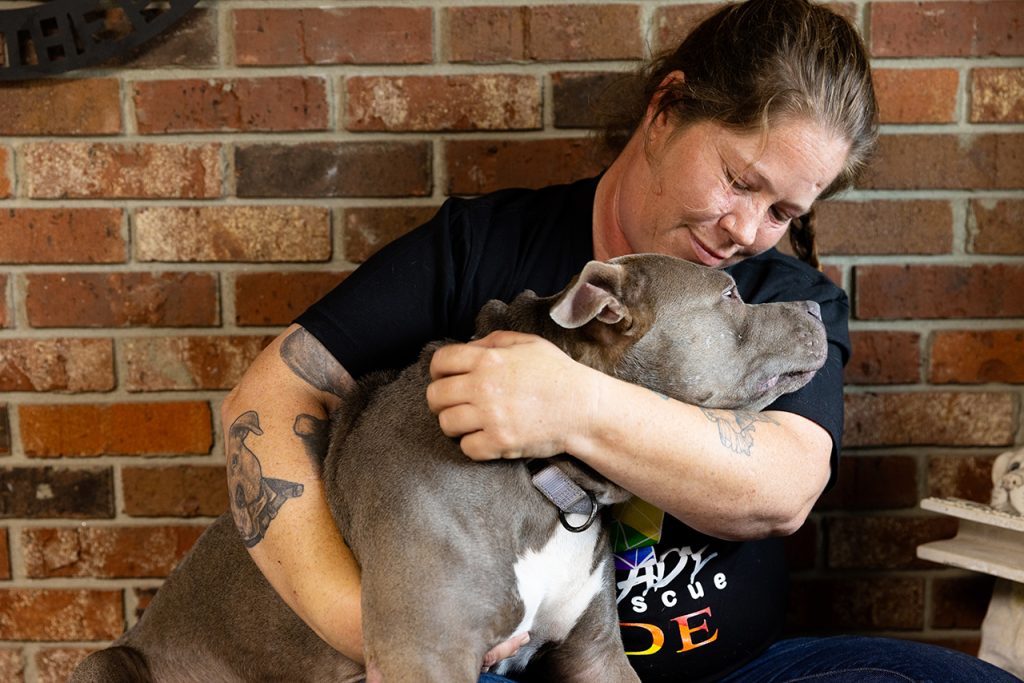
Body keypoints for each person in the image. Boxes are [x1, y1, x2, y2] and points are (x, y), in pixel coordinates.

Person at [221, 0, 1021, 681]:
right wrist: (360, 620)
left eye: (784, 213)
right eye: (741, 181)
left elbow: (784, 485)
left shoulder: (782, 299)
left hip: (735, 670)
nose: (748, 231)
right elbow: (269, 397)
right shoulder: (484, 249)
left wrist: (569, 406)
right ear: (666, 109)